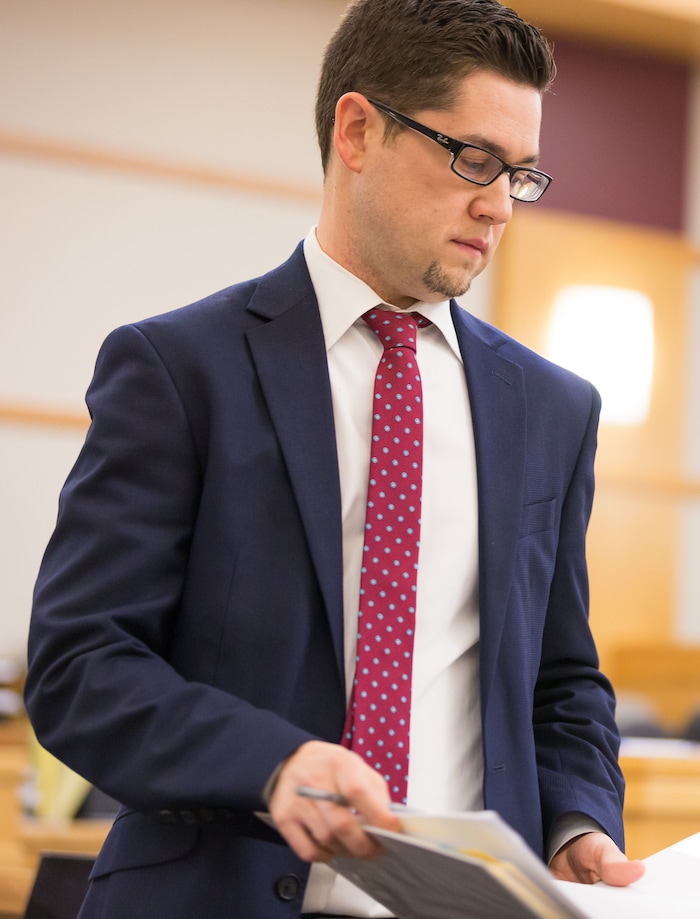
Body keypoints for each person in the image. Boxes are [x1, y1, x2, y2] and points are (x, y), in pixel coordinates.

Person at [24, 1, 645, 917]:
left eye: (521, 174)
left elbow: (562, 680)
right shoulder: (179, 368)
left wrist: (578, 819)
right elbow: (81, 663)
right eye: (473, 159)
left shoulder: (553, 408)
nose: (499, 204)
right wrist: (271, 761)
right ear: (357, 131)